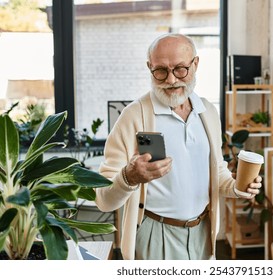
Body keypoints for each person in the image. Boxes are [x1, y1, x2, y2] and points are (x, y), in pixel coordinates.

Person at [95, 33, 262, 260]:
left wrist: (237, 187)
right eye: (161, 71)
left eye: (180, 69)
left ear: (196, 64)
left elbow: (216, 172)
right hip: (156, 237)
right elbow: (103, 200)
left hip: (204, 232)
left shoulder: (208, 112)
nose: (172, 80)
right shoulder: (133, 116)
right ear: (149, 68)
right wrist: (129, 177)